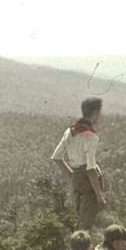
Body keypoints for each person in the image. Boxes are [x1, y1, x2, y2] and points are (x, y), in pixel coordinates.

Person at [51, 97, 107, 234]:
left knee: (80, 218)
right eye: (99, 113)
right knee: (87, 222)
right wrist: (99, 195)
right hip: (89, 182)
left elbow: (57, 157)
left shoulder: (69, 131)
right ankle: (82, 249)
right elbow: (90, 168)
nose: (100, 116)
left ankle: (80, 246)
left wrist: (72, 174)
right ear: (94, 114)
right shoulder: (91, 137)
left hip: (77, 179)